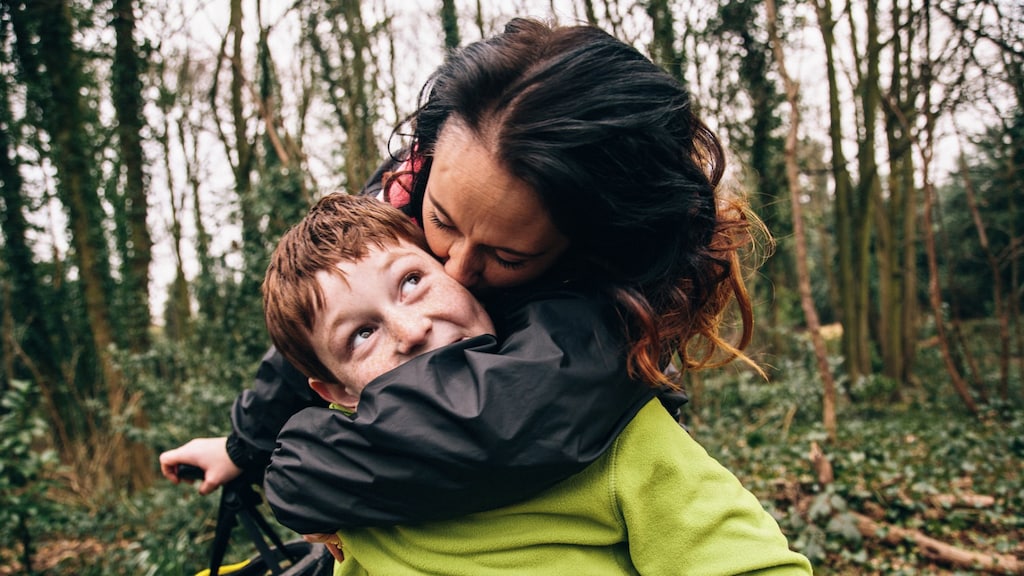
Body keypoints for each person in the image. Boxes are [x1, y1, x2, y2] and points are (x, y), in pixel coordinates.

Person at [162, 16, 762, 534]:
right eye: (441, 223)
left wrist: (298, 467)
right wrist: (245, 444)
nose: (455, 269)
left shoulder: (606, 315)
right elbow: (323, 323)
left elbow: (508, 419)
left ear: (589, 251)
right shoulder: (412, 184)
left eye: (508, 258)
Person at [262, 192, 811, 574]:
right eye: (361, 334)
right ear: (336, 393)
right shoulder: (352, 495)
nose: (411, 329)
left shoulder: (617, 431)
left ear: (458, 270)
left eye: (411, 281)